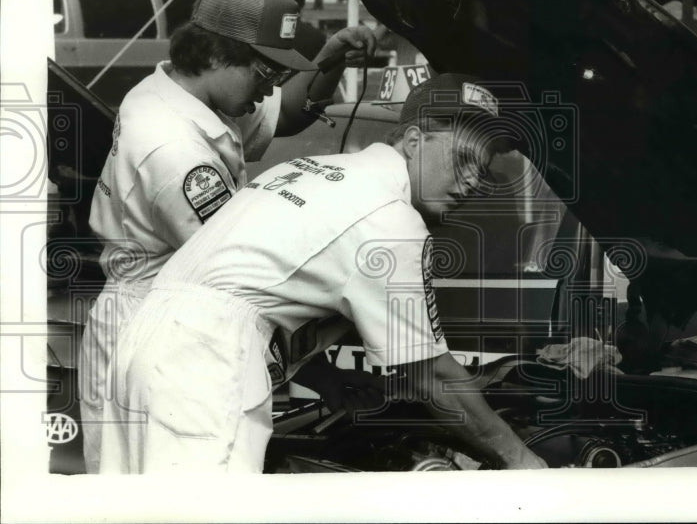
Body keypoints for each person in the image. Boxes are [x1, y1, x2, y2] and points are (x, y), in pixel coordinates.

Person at [99, 74, 547, 472]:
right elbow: (431, 376)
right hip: (202, 369)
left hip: (143, 341)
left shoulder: (311, 171)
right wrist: (522, 459)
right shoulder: (389, 219)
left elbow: (237, 291)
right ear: (414, 141)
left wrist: (326, 379)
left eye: (483, 169)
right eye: (463, 159)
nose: (472, 181)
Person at [79, 0, 376, 473]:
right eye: (266, 71)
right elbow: (243, 278)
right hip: (158, 331)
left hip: (176, 316)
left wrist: (330, 58)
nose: (271, 85)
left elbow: (290, 115)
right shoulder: (173, 148)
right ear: (216, 54)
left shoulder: (181, 91)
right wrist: (324, 370)